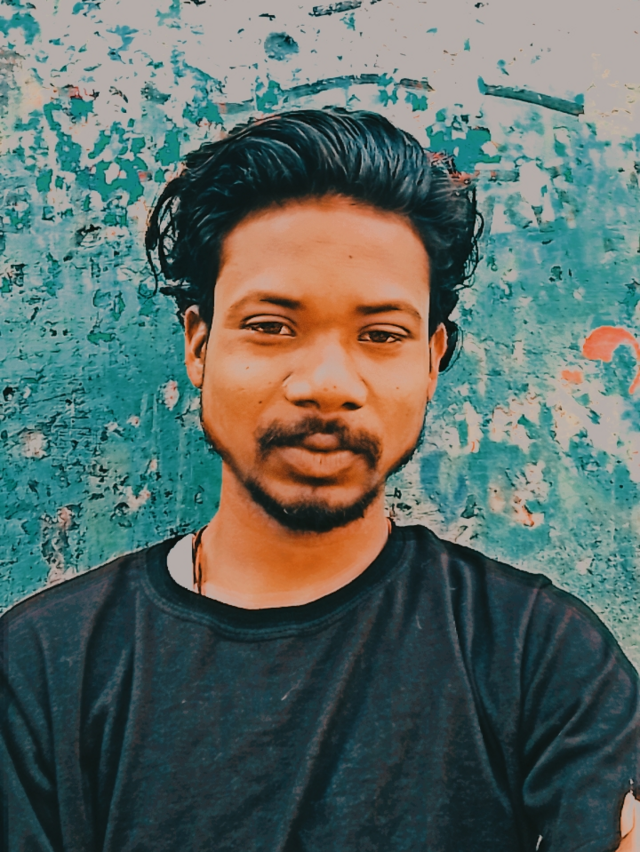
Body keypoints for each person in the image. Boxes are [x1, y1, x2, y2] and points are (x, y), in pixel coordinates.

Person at [1, 108, 638, 852]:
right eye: (272, 326)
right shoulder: (44, 669)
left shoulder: (540, 656)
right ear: (199, 345)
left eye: (381, 335)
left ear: (433, 359)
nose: (328, 385)